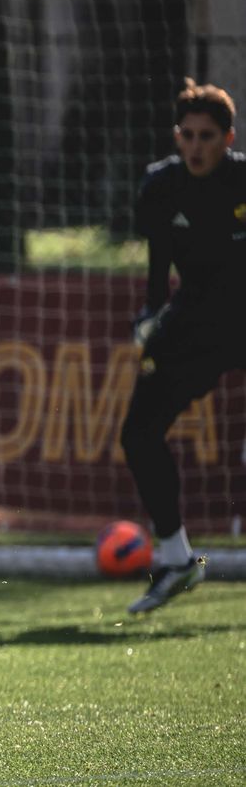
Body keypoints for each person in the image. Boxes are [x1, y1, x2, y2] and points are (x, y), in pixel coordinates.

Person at [121, 79, 243, 614]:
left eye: (207, 136)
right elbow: (158, 267)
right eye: (187, 135)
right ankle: (176, 559)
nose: (196, 146)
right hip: (194, 322)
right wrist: (150, 316)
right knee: (138, 433)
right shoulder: (161, 185)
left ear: (228, 137)